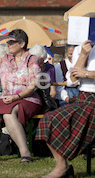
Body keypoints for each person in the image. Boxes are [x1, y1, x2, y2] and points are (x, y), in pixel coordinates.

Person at [0, 29, 42, 163]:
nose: (8, 45)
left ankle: (25, 154)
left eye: (12, 42)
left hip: (28, 98)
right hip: (7, 98)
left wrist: (17, 97)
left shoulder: (32, 59)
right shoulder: (4, 59)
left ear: (22, 44)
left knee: (8, 114)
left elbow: (34, 85)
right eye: (8, 42)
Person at [35, 40, 95, 178]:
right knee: (48, 119)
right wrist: (84, 54)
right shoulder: (80, 49)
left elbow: (81, 74)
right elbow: (72, 81)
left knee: (81, 118)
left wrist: (86, 74)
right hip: (82, 98)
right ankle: (62, 166)